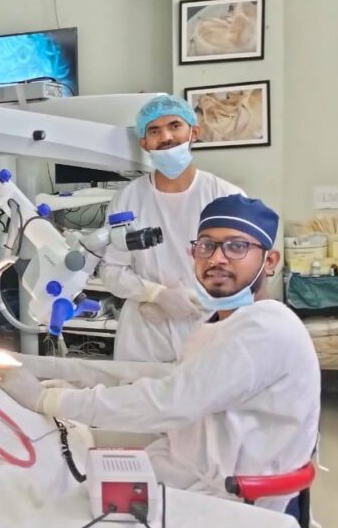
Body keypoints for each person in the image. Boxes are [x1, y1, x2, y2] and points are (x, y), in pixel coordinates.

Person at [0, 195, 320, 511]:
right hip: (190, 467)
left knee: (45, 507)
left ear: (269, 261)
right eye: (206, 246)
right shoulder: (221, 325)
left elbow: (169, 401)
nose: (217, 258)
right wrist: (41, 366)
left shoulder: (265, 329)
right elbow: (165, 376)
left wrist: (46, 400)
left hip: (227, 498)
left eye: (236, 246)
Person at [103, 94, 243, 363]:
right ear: (144, 143)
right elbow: (112, 270)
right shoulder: (127, 199)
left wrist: (206, 299)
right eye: (154, 131)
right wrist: (155, 295)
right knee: (139, 390)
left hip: (209, 327)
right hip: (146, 333)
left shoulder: (225, 197)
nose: (166, 136)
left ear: (194, 133)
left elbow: (246, 269)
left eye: (175, 126)